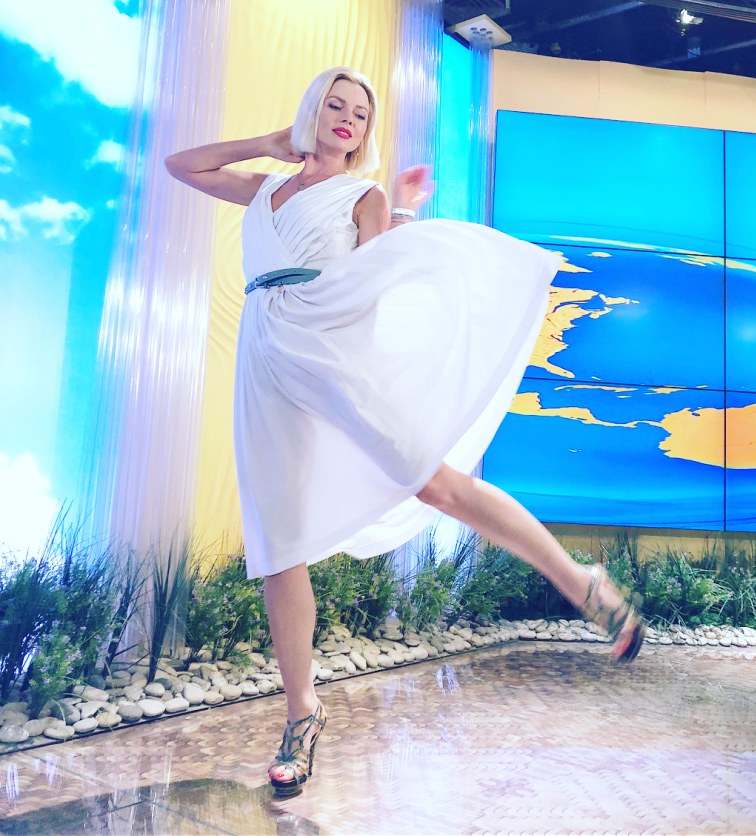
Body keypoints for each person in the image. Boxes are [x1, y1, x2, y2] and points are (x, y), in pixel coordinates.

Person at [165, 66, 645, 799]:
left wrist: (401, 215)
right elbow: (182, 165)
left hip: (330, 350)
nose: (348, 118)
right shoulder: (263, 189)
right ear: (311, 109)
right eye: (335, 104)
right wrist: (270, 142)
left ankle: (580, 583)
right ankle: (302, 714)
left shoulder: (362, 195)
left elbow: (375, 275)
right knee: (278, 544)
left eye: (361, 112)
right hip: (264, 361)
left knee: (436, 484)